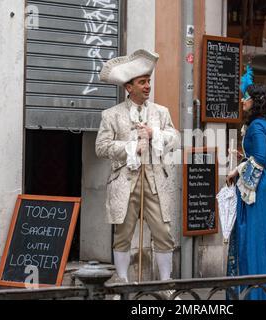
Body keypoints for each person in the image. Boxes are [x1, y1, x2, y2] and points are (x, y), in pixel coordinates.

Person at [95, 49, 180, 286]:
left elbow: (176, 138)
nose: (147, 86)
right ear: (128, 87)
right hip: (125, 183)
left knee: (163, 233)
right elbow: (101, 148)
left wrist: (155, 134)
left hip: (155, 183)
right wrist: (131, 147)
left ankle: (165, 284)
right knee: (123, 235)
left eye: (148, 81)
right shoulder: (111, 115)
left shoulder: (161, 113)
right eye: (142, 82)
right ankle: (121, 281)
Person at [226, 78, 266, 300]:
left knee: (255, 238)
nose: (243, 100)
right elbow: (262, 156)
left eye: (246, 97)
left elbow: (261, 158)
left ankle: (257, 294)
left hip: (260, 189)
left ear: (256, 101)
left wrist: (238, 171)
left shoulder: (256, 126)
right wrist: (244, 159)